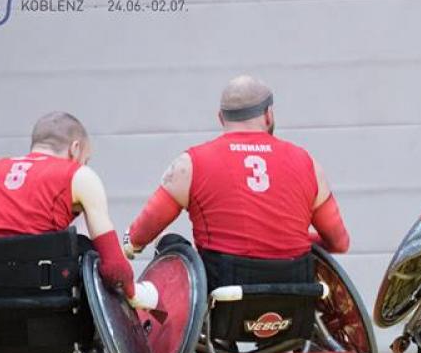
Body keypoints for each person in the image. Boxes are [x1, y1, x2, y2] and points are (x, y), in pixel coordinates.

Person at [0, 112, 153, 306]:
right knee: (86, 250)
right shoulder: (80, 176)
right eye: (86, 158)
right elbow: (114, 269)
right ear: (75, 148)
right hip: (51, 313)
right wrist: (136, 294)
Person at [124, 75, 350, 268]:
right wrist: (294, 239)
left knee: (167, 242)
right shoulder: (308, 164)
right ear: (268, 114)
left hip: (223, 290)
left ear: (221, 118)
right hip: (294, 293)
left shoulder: (190, 164)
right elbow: (339, 243)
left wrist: (131, 243)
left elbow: (140, 234)